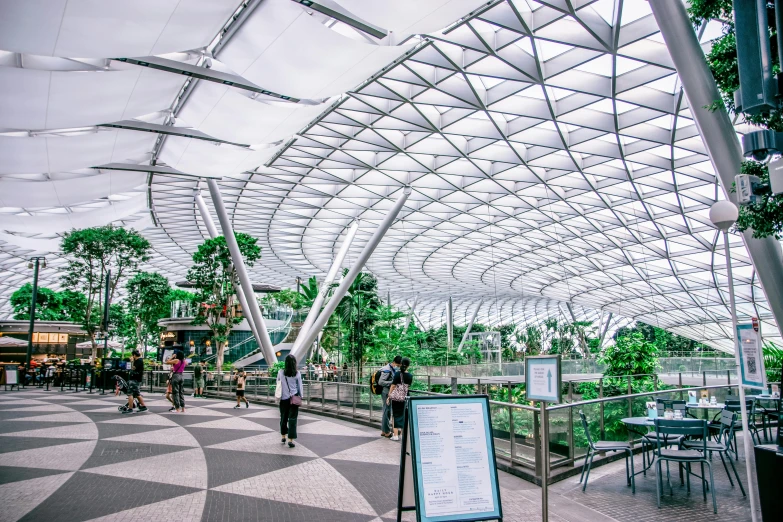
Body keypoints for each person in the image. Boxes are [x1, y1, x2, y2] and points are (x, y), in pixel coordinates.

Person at [277, 354, 303, 448]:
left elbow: (278, 383)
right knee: (292, 419)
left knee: (283, 418)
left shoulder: (281, 372)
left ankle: (283, 436)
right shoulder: (297, 373)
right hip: (294, 399)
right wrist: (301, 396)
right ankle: (290, 440)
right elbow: (299, 386)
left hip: (283, 399)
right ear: (294, 363)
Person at [387, 357, 412, 441]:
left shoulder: (398, 374)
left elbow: (393, 385)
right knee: (403, 415)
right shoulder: (410, 376)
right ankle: (402, 435)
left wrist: (389, 395)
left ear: (401, 364)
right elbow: (408, 386)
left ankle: (395, 435)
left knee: (395, 415)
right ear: (408, 366)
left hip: (396, 398)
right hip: (405, 397)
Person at [379, 356, 401, 438]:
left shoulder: (390, 368)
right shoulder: (387, 369)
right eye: (398, 365)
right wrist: (393, 382)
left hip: (387, 391)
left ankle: (383, 430)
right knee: (386, 411)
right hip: (386, 392)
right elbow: (381, 382)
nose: (398, 367)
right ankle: (387, 431)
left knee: (386, 410)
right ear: (395, 363)